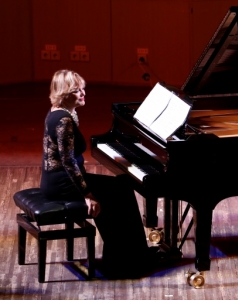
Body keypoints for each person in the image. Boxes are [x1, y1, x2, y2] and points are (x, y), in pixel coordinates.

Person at [41, 69, 157, 279]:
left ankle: (130, 256)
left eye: (83, 88)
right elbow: (68, 162)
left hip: (60, 179)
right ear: (64, 93)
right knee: (117, 192)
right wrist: (88, 195)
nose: (83, 93)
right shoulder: (63, 120)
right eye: (77, 91)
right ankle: (124, 262)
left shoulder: (60, 112)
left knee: (122, 185)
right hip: (64, 183)